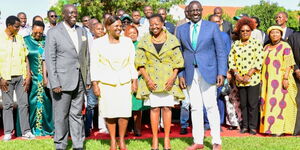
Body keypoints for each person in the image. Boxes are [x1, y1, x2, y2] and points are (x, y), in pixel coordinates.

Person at [176, 1, 227, 150]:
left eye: (198, 10)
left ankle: (216, 141)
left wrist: (221, 72)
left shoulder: (212, 27)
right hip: (190, 73)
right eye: (192, 11)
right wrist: (181, 75)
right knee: (195, 108)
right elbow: (179, 54)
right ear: (188, 13)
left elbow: (221, 51)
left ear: (202, 11)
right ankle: (198, 141)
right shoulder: (181, 29)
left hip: (209, 72)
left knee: (211, 106)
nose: (195, 13)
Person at [135, 14, 184, 150]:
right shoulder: (144, 41)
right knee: (155, 108)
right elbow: (140, 63)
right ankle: (155, 139)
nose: (154, 26)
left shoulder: (172, 40)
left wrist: (173, 78)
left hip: (168, 80)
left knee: (167, 108)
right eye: (151, 24)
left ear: (163, 24)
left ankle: (167, 138)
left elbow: (178, 62)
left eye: (157, 23)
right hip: (152, 81)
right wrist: (148, 80)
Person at [45, 4, 90, 150]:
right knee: (61, 116)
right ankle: (61, 145)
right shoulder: (54, 32)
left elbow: (85, 57)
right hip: (61, 82)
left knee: (76, 114)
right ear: (63, 15)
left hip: (80, 81)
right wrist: (54, 82)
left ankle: (78, 145)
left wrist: (87, 78)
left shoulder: (82, 30)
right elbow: (50, 59)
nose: (73, 15)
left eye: (75, 13)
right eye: (70, 13)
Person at [90, 16, 138, 150]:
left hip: (124, 81)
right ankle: (112, 140)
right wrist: (95, 84)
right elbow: (94, 64)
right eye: (115, 26)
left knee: (123, 111)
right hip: (106, 82)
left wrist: (134, 81)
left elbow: (131, 63)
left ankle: (122, 140)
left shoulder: (127, 42)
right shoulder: (98, 43)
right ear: (107, 27)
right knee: (109, 112)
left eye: (120, 26)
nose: (119, 28)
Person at [0, 15, 35, 141]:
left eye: (19, 26)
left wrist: (28, 76)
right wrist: (0, 78)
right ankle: (8, 132)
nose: (19, 29)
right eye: (16, 26)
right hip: (5, 78)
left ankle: (26, 131)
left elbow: (26, 58)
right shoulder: (0, 38)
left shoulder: (20, 38)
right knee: (8, 105)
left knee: (24, 104)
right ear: (9, 26)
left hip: (21, 76)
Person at [228, 17, 264, 135]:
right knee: (243, 104)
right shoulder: (236, 44)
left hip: (252, 79)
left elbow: (259, 59)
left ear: (251, 31)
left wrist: (249, 74)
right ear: (239, 32)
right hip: (239, 80)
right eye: (242, 31)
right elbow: (231, 60)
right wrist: (236, 74)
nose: (244, 33)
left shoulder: (256, 44)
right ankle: (245, 126)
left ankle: (253, 127)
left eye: (247, 31)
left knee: (252, 104)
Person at [260, 26, 297, 136]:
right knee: (266, 103)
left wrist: (285, 78)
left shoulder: (285, 46)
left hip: (279, 80)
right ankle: (267, 128)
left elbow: (289, 63)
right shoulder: (266, 47)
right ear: (269, 35)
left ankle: (278, 129)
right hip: (266, 81)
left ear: (281, 35)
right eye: (272, 33)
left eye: (277, 33)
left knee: (279, 105)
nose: (275, 35)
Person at [24, 21, 54, 136]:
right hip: (32, 79)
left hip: (46, 78)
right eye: (36, 32)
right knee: (31, 104)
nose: (38, 35)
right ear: (32, 29)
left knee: (47, 104)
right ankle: (30, 130)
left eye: (40, 33)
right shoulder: (25, 40)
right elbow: (22, 57)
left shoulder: (47, 40)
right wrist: (26, 72)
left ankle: (47, 129)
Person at [202, 14, 232, 130]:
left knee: (219, 98)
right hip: (207, 70)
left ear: (221, 22)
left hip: (220, 71)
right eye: (213, 22)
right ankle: (207, 122)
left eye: (218, 21)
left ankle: (218, 123)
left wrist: (225, 72)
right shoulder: (204, 36)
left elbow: (227, 54)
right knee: (207, 98)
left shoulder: (224, 36)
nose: (216, 24)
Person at [124, 25, 146, 137]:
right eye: (130, 33)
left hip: (138, 78)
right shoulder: (122, 45)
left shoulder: (141, 46)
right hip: (124, 79)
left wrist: (135, 75)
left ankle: (137, 129)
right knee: (125, 106)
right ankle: (126, 129)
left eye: (134, 33)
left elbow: (145, 64)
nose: (132, 35)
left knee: (137, 107)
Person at [288, 31, 300, 135]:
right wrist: (296, 69)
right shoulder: (293, 37)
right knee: (298, 101)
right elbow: (289, 54)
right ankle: (297, 129)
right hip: (297, 75)